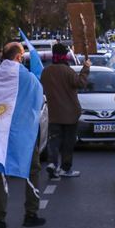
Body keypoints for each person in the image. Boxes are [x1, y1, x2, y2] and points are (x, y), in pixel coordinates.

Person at [0, 42, 46, 228]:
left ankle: (0, 220)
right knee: (32, 169)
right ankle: (30, 213)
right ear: (19, 57)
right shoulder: (27, 77)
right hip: (21, 133)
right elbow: (38, 101)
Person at [40, 43, 90, 179]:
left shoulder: (46, 71)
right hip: (70, 114)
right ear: (65, 55)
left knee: (54, 140)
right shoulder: (67, 71)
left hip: (54, 113)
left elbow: (42, 88)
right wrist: (86, 69)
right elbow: (80, 83)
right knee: (68, 142)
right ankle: (65, 168)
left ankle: (52, 163)